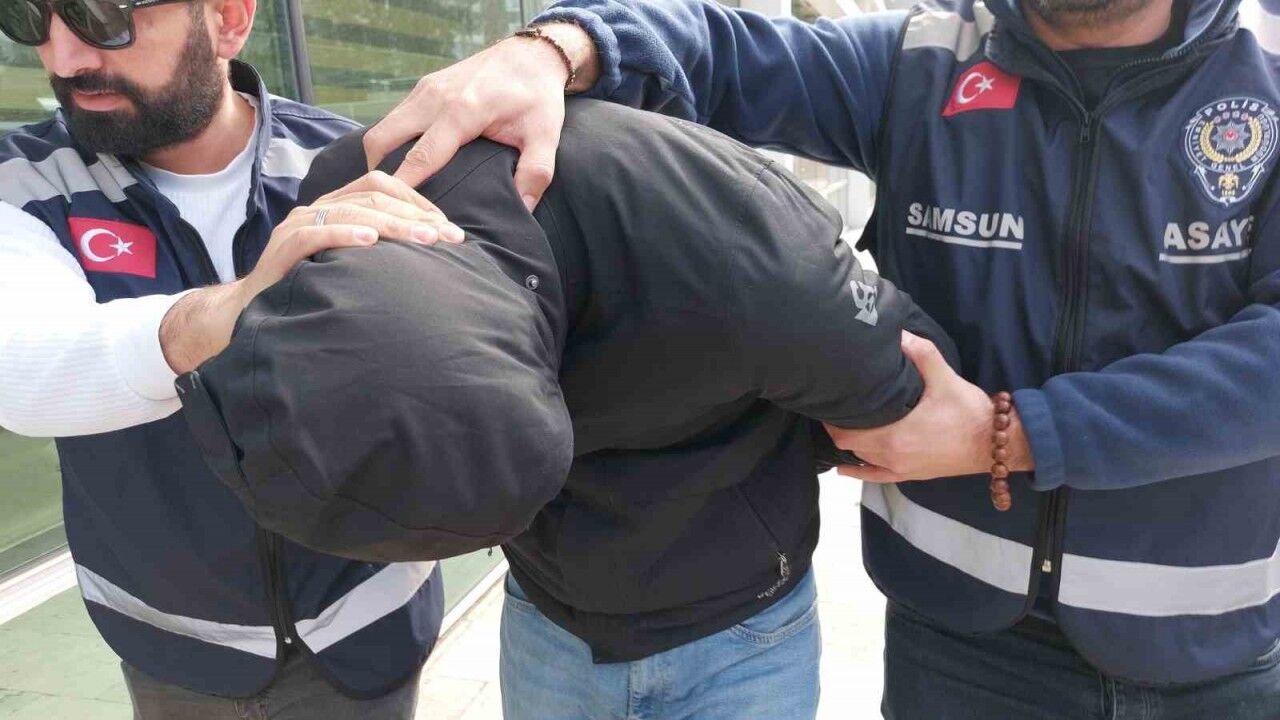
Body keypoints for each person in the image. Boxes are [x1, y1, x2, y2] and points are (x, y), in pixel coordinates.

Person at [360, 0, 1280, 716]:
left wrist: (1014, 434)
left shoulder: (1265, 68)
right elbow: (719, 53)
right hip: (959, 647)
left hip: (1209, 656)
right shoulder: (926, 59)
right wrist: (555, 48)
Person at [177, 98, 960, 720]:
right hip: (548, 617)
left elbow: (912, 397)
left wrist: (761, 453)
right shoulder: (342, 205)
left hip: (741, 628)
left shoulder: (745, 249)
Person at [0, 0, 464, 716]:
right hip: (175, 649)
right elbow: (26, 369)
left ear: (228, 19)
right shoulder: (23, 184)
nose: (63, 58)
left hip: (368, 628)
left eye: (100, 15)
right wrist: (246, 302)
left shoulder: (357, 164)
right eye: (27, 15)